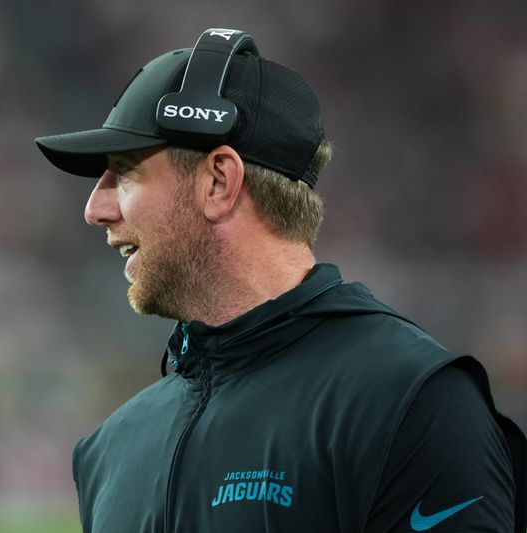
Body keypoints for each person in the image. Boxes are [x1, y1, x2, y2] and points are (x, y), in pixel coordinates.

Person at [35, 28, 526, 532]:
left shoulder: (413, 403)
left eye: (124, 171)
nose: (96, 209)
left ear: (219, 182)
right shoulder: (109, 450)